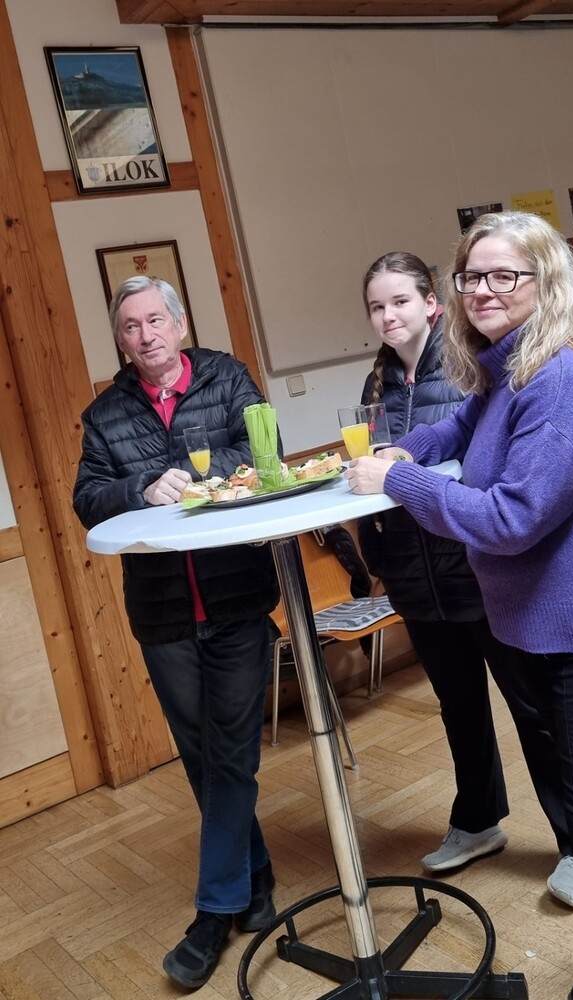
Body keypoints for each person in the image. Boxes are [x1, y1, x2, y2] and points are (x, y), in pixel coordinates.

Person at [344, 213, 573, 1000]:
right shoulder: (508, 371)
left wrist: (397, 482)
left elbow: (512, 518)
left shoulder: (561, 380)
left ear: (546, 283)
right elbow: (458, 424)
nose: (482, 290)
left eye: (503, 275)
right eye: (471, 276)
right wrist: (410, 449)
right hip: (553, 636)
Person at [73, 277, 279, 990]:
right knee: (203, 757)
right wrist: (139, 488)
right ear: (121, 340)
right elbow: (87, 500)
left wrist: (193, 476)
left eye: (155, 320)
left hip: (237, 598)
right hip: (161, 613)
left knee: (231, 755)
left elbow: (264, 451)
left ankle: (213, 912)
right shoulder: (104, 414)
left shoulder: (228, 378)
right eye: (131, 326)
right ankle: (256, 878)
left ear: (180, 324)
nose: (145, 335)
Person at [357, 251, 573, 906]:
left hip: (478, 569)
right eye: (376, 306)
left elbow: (486, 469)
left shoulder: (465, 366)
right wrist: (381, 556)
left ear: (432, 302)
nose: (388, 316)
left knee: (532, 710)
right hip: (417, 576)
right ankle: (478, 820)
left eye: (400, 300)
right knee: (458, 707)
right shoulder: (376, 383)